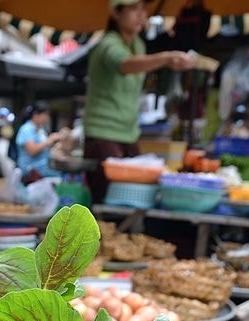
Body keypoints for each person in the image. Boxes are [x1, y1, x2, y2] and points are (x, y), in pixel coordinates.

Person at [83, 0, 194, 202]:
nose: (141, 15)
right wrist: (166, 58)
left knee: (133, 196)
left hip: (129, 133)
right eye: (134, 9)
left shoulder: (139, 45)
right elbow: (124, 64)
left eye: (143, 9)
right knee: (106, 197)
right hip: (102, 133)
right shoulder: (108, 43)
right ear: (117, 13)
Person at [14, 101, 65, 182]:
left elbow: (45, 147)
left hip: (42, 167)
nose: (47, 118)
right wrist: (48, 141)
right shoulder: (26, 129)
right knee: (60, 175)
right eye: (45, 114)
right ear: (36, 115)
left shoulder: (41, 130)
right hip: (31, 169)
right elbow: (32, 150)